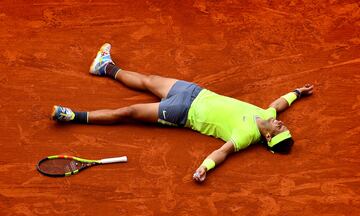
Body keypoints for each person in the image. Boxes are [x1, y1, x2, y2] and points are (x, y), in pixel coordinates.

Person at [52, 43, 314, 182]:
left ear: (268, 138)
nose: (280, 124)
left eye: (279, 129)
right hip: (195, 92)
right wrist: (298, 92)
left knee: (129, 111)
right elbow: (280, 103)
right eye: (283, 126)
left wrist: (204, 168)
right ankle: (105, 66)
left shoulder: (246, 135)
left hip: (182, 112)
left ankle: (73, 116)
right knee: (148, 79)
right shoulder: (268, 115)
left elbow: (221, 152)